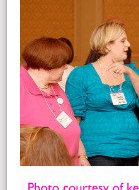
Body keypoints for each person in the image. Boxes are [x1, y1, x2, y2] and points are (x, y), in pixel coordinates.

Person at [66, 22, 139, 166]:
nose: (128, 44)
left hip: (129, 147)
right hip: (97, 149)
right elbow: (73, 119)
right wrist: (81, 155)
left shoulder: (131, 71)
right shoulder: (81, 74)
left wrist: (130, 72)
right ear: (108, 45)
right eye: (123, 41)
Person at [20, 37, 90, 166]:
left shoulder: (54, 86)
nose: (66, 67)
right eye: (62, 64)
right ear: (48, 65)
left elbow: (71, 125)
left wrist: (82, 156)